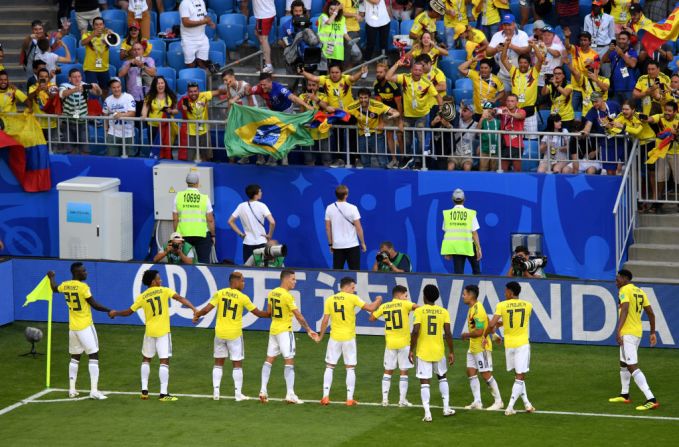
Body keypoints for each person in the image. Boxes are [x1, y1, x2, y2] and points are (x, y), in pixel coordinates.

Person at [108, 269, 197, 401]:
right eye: (159, 279)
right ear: (153, 281)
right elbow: (180, 298)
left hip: (149, 332)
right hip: (163, 332)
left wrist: (116, 313)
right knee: (164, 361)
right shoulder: (164, 291)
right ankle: (163, 394)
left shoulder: (142, 296)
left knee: (146, 359)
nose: (161, 280)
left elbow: (128, 312)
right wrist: (194, 308)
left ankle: (144, 391)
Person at [192, 271, 270, 401]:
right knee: (237, 363)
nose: (244, 283)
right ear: (235, 282)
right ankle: (238, 394)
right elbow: (258, 313)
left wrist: (197, 315)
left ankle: (216, 392)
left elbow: (206, 309)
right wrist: (271, 314)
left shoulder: (220, 293)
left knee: (218, 362)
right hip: (234, 334)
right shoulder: (242, 297)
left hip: (220, 334)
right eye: (242, 281)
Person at [47, 263, 111, 400]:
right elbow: (94, 305)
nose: (86, 273)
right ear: (77, 273)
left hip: (73, 328)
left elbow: (54, 288)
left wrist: (51, 277)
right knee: (94, 355)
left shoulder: (65, 285)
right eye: (83, 271)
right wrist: (109, 311)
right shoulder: (83, 288)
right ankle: (94, 390)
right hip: (85, 326)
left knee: (75, 357)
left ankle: (72, 389)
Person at [317, 276, 382, 406]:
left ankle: (325, 396)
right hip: (348, 338)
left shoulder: (330, 299)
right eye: (352, 287)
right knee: (350, 368)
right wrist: (379, 300)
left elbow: (325, 320)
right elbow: (370, 308)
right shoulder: (352, 298)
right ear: (346, 287)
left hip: (334, 337)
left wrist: (320, 336)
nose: (353, 290)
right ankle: (349, 399)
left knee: (330, 366)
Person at [259, 270, 318, 404]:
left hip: (273, 330)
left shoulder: (272, 292)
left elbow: (269, 312)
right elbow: (298, 315)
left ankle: (263, 390)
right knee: (289, 360)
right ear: (285, 279)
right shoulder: (287, 296)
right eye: (293, 279)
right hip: (285, 331)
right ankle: (290, 394)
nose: (295, 282)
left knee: (269, 360)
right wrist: (308, 329)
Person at [609, 269, 659, 411]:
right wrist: (652, 332)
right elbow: (651, 313)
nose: (616, 281)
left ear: (625, 278)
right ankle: (624, 394)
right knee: (623, 362)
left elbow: (624, 310)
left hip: (628, 333)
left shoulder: (624, 290)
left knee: (631, 366)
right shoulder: (640, 292)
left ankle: (651, 399)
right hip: (637, 332)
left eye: (618, 278)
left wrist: (618, 331)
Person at [484, 281, 535, 416]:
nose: (504, 293)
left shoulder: (502, 305)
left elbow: (492, 324)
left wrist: (488, 334)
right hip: (522, 344)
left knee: (518, 375)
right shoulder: (528, 305)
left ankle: (527, 404)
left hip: (509, 345)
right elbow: (517, 320)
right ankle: (510, 407)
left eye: (506, 291)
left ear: (511, 292)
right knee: (520, 375)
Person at [408, 284, 455, 421]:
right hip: (439, 351)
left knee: (425, 382)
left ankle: (427, 413)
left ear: (424, 296)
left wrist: (411, 349)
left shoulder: (419, 311)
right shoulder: (444, 312)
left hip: (423, 352)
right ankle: (446, 408)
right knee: (442, 378)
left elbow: (415, 331)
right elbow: (448, 333)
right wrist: (451, 351)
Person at [386, 58, 443, 169]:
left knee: (421, 141)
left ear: (422, 72)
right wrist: (397, 64)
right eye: (415, 70)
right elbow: (388, 77)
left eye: (419, 70)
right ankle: (407, 158)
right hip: (407, 116)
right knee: (406, 140)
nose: (417, 72)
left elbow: (438, 97)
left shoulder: (427, 83)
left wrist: (440, 112)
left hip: (421, 116)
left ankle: (419, 161)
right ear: (412, 70)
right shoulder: (405, 78)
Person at [369, 285, 418, 407]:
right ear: (399, 295)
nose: (407, 298)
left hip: (390, 343)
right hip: (404, 344)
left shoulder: (385, 306)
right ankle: (402, 401)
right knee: (404, 371)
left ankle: (385, 400)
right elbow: (418, 308)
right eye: (405, 296)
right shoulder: (405, 304)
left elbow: (372, 318)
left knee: (388, 371)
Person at [461, 284, 504, 411]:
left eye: (464, 294)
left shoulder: (477, 309)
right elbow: (487, 323)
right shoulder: (473, 308)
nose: (463, 296)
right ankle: (477, 401)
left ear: (470, 295)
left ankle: (498, 401)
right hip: (473, 346)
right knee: (470, 371)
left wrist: (466, 334)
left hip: (481, 347)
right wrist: (495, 335)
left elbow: (479, 331)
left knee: (485, 374)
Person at [347, 88, 400, 169]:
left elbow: (395, 112)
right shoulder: (353, 106)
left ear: (369, 98)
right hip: (362, 135)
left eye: (365, 97)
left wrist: (393, 115)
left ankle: (383, 179)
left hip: (377, 135)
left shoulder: (377, 105)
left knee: (382, 160)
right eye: (361, 98)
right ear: (358, 98)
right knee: (365, 161)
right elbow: (341, 113)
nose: (363, 100)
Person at [500, 39, 543, 138]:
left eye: (525, 63)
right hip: (515, 111)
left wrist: (534, 46)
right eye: (521, 62)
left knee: (531, 140)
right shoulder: (514, 71)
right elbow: (503, 59)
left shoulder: (534, 72)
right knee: (516, 140)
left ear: (529, 64)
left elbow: (540, 60)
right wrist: (506, 45)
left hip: (530, 112)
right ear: (518, 63)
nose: (523, 65)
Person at [173, 171, 216, 264]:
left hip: (183, 234)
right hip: (202, 234)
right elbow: (210, 220)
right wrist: (213, 235)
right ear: (197, 183)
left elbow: (175, 219)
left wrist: (176, 235)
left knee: (184, 261)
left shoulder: (178, 196)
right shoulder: (204, 198)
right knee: (203, 263)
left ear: (186, 182)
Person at [228, 184, 276, 264]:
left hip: (247, 243)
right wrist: (269, 235)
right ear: (256, 193)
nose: (261, 193)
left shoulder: (241, 206)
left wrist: (241, 234)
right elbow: (272, 222)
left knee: (248, 269)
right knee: (262, 268)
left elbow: (230, 221)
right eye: (260, 191)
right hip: (261, 242)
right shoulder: (262, 206)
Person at [180, 82, 227, 161]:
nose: (193, 93)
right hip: (191, 133)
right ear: (188, 92)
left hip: (204, 132)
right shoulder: (184, 100)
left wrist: (226, 87)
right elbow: (182, 113)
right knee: (190, 158)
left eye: (195, 91)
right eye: (191, 92)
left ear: (199, 91)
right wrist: (183, 109)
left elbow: (219, 92)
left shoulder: (204, 95)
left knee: (206, 157)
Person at [59, 68, 103, 155]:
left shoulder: (85, 85)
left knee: (85, 150)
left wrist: (97, 87)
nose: (77, 79)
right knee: (70, 150)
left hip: (82, 123)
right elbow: (62, 94)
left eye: (79, 76)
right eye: (74, 77)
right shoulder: (64, 85)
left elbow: (99, 94)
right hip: (67, 123)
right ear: (69, 78)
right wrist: (75, 89)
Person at [441, 188, 482, 274]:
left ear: (453, 199)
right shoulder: (470, 213)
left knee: (458, 275)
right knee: (477, 272)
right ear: (464, 199)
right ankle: (477, 287)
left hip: (456, 248)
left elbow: (447, 233)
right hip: (469, 246)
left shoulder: (447, 214)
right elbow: (474, 233)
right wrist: (478, 249)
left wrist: (448, 252)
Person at [325, 184, 367, 270]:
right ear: (346, 195)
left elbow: (327, 228)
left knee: (337, 273)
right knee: (355, 272)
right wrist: (362, 243)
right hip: (352, 245)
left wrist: (330, 244)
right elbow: (358, 228)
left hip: (337, 246)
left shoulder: (329, 208)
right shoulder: (353, 208)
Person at [486, 13, 530, 94]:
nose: (507, 27)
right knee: (503, 99)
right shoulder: (497, 35)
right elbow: (488, 53)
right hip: (503, 75)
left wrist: (510, 46)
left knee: (519, 101)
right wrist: (496, 49)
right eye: (505, 25)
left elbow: (527, 51)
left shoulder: (522, 35)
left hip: (520, 74)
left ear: (514, 24)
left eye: (509, 25)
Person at [581, 91, 621, 175]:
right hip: (606, 144)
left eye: (596, 101)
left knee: (621, 169)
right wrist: (585, 131)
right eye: (592, 102)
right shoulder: (592, 111)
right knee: (610, 171)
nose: (594, 104)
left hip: (620, 142)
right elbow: (588, 125)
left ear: (602, 99)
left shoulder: (614, 105)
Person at [373, 62, 404, 169]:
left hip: (398, 111)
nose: (378, 74)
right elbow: (379, 105)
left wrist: (400, 121)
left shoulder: (393, 85)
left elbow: (399, 104)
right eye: (377, 72)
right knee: (389, 135)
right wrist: (381, 121)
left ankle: (403, 159)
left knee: (400, 135)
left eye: (381, 72)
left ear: (386, 73)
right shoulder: (376, 85)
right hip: (387, 112)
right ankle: (394, 160)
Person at [646, 101, 679, 201]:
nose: (667, 113)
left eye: (670, 111)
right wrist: (646, 119)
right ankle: (658, 201)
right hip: (662, 153)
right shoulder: (661, 117)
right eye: (666, 110)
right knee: (660, 178)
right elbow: (651, 119)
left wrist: (676, 134)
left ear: (675, 112)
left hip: (676, 153)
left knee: (678, 179)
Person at [142, 76, 179, 160]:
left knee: (167, 149)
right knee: (154, 149)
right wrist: (144, 115)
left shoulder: (171, 95)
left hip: (167, 127)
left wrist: (171, 111)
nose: (160, 85)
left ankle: (169, 166)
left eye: (162, 83)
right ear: (155, 85)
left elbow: (176, 110)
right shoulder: (149, 96)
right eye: (158, 83)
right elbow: (145, 108)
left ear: (165, 84)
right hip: (153, 127)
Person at [434, 99, 476, 171]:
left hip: (467, 155)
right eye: (462, 110)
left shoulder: (476, 125)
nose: (462, 112)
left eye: (465, 111)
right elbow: (455, 113)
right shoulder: (457, 121)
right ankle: (449, 182)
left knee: (467, 167)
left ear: (471, 113)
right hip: (454, 153)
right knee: (450, 167)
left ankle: (466, 182)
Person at [458, 55, 505, 120]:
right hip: (476, 111)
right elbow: (460, 68)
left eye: (486, 68)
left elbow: (502, 92)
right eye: (481, 68)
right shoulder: (475, 75)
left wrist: (495, 99)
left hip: (489, 112)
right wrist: (473, 60)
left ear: (490, 69)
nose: (483, 70)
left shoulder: (496, 80)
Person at [299, 78, 333, 166]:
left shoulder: (324, 96)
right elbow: (301, 113)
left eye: (313, 85)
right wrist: (304, 103)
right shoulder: (302, 96)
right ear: (306, 86)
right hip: (308, 132)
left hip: (322, 131)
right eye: (309, 85)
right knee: (309, 159)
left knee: (327, 158)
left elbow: (326, 108)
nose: (311, 87)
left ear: (318, 86)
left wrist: (315, 98)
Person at [564, 29, 599, 113]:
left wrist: (592, 64)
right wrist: (567, 37)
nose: (583, 42)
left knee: (588, 112)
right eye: (581, 40)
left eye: (585, 40)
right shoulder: (576, 50)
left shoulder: (595, 55)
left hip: (587, 88)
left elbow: (597, 70)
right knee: (572, 111)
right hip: (575, 87)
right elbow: (567, 46)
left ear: (590, 42)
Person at [119, 42, 156, 117]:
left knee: (147, 121)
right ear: (132, 51)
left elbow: (153, 73)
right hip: (133, 97)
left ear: (143, 50)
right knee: (135, 122)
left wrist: (143, 66)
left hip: (147, 96)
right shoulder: (127, 62)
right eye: (134, 49)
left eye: (139, 49)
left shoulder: (149, 60)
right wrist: (129, 65)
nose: (136, 51)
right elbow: (120, 74)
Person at [602, 31, 638, 106]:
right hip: (615, 89)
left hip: (629, 89)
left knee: (628, 111)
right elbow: (603, 60)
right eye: (619, 39)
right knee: (616, 113)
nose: (621, 41)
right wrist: (609, 50)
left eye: (623, 39)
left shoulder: (632, 52)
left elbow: (633, 64)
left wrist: (621, 54)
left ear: (628, 41)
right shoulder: (614, 52)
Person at [103, 77, 137, 157]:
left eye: (118, 87)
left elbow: (132, 113)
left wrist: (121, 115)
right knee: (112, 158)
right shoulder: (108, 100)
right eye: (114, 87)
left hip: (128, 133)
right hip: (113, 133)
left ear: (121, 87)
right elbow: (105, 115)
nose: (116, 89)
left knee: (129, 159)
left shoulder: (129, 97)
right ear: (111, 89)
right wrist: (106, 130)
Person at [583, 1, 616, 77]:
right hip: (592, 48)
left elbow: (612, 35)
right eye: (593, 6)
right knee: (591, 71)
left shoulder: (609, 18)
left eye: (597, 6)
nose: (595, 8)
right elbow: (585, 34)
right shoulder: (587, 18)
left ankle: (606, 87)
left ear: (601, 7)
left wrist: (611, 49)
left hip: (604, 48)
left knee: (606, 73)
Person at [179, 0, 215, 69]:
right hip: (189, 40)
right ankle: (193, 78)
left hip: (202, 38)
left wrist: (209, 22)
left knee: (203, 62)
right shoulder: (184, 3)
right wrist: (203, 22)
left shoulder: (201, 1)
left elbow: (204, 16)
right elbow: (186, 23)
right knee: (190, 64)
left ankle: (203, 78)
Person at [81, 16, 111, 97]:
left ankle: (104, 108)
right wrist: (92, 35)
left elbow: (114, 41)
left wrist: (110, 34)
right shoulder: (87, 34)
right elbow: (82, 43)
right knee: (91, 91)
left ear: (103, 25)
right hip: (90, 68)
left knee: (106, 89)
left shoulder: (107, 35)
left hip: (104, 68)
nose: (99, 26)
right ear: (93, 26)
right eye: (96, 24)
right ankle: (93, 108)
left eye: (101, 24)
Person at [27, 68, 60, 139]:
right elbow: (29, 98)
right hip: (38, 123)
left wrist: (47, 91)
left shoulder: (53, 86)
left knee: (52, 146)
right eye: (41, 77)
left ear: (48, 77)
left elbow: (55, 98)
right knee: (40, 146)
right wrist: (38, 90)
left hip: (51, 122)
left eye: (46, 76)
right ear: (38, 78)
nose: (44, 78)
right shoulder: (33, 87)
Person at [497, 93, 527, 172]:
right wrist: (498, 111)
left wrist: (510, 113)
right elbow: (493, 111)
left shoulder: (521, 111)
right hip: (504, 144)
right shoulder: (503, 109)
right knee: (503, 170)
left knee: (517, 170)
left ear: (517, 102)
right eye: (508, 101)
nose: (510, 103)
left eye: (512, 101)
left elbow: (520, 116)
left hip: (516, 144)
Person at [317, 1, 351, 67]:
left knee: (335, 71)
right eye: (331, 9)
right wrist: (336, 11)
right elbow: (329, 22)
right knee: (323, 72)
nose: (332, 11)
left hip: (337, 50)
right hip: (324, 49)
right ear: (328, 9)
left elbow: (344, 33)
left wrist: (352, 43)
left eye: (334, 9)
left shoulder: (342, 19)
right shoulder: (323, 16)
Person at [252, 0, 276, 73]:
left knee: (263, 39)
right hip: (266, 13)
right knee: (257, 33)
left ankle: (268, 65)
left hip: (263, 15)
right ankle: (265, 59)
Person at [538, 25, 565, 90]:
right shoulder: (537, 46)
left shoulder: (558, 46)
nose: (546, 37)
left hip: (554, 80)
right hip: (539, 81)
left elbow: (556, 54)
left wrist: (545, 47)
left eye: (548, 35)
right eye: (544, 35)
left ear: (553, 36)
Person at [478, 102, 501, 171]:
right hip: (484, 150)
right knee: (483, 169)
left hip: (496, 150)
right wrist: (482, 118)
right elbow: (477, 131)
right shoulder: (483, 121)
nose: (488, 112)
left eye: (489, 110)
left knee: (494, 169)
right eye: (486, 110)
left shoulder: (498, 122)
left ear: (493, 111)